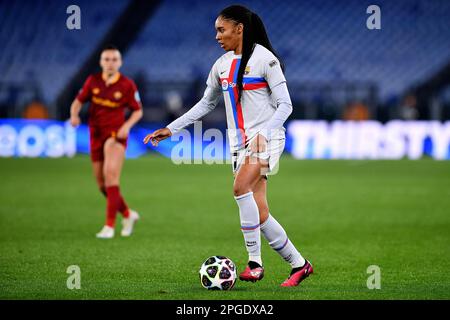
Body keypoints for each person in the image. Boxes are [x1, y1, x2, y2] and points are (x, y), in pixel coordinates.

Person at [143, 5, 313, 287]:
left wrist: (265, 134)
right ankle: (299, 264)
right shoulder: (221, 65)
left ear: (239, 29)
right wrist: (171, 129)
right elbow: (205, 104)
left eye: (221, 30)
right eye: (216, 31)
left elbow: (286, 104)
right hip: (239, 145)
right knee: (260, 213)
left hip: (267, 139)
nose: (217, 36)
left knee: (239, 187)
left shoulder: (265, 60)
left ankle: (255, 264)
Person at [70, 45, 143, 239]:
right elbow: (78, 101)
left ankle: (109, 226)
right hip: (95, 135)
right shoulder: (92, 81)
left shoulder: (127, 84)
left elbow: (138, 110)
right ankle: (128, 215)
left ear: (120, 62)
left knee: (111, 176)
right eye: (106, 59)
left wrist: (126, 126)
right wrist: (74, 115)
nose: (110, 63)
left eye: (114, 60)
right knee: (102, 185)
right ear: (101, 62)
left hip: (116, 136)